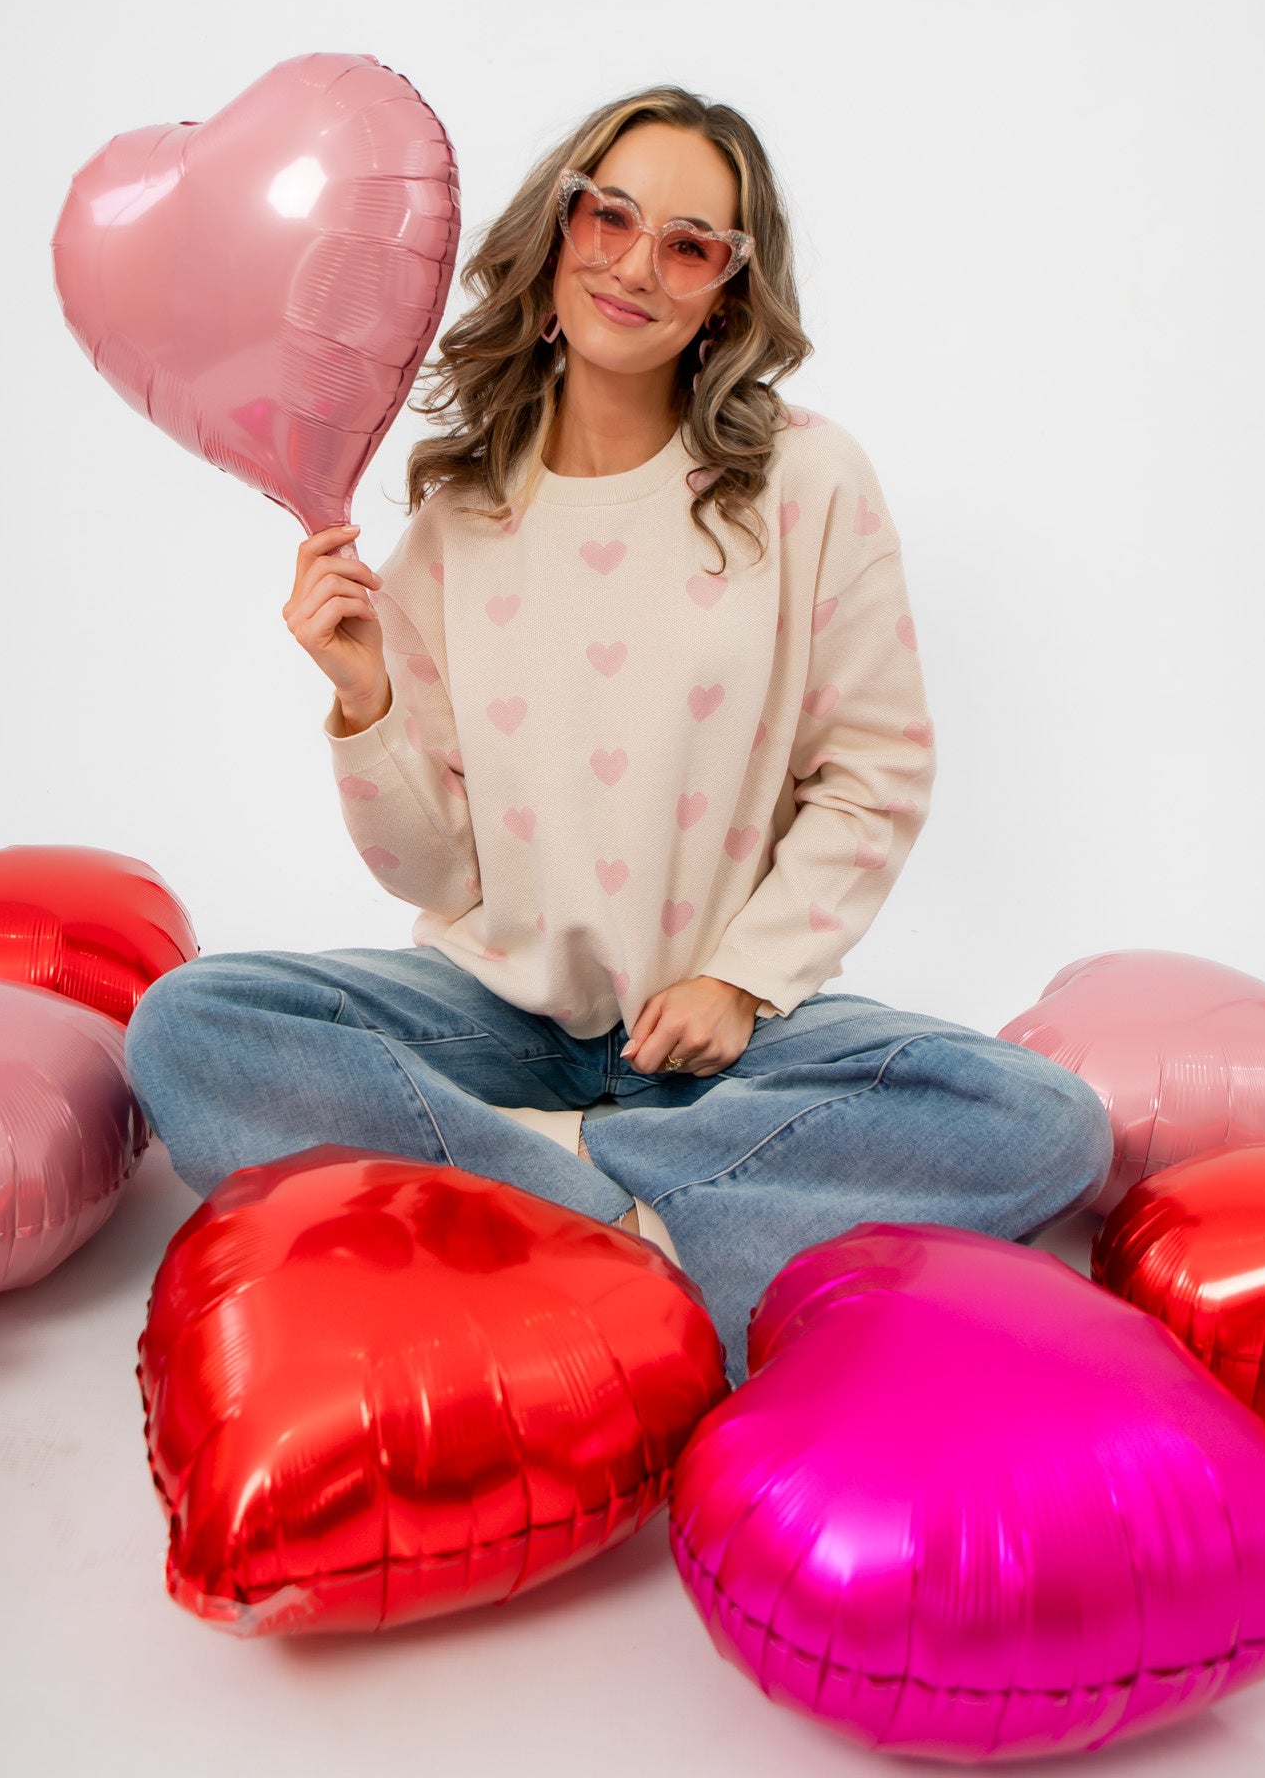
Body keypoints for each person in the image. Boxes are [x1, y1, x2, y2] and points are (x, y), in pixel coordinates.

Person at [123, 84, 1112, 1386]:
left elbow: (871, 772)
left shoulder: (806, 483)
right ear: (560, 231)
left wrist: (742, 978)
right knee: (191, 1025)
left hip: (727, 1033)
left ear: (728, 294)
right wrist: (361, 699)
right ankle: (632, 1226)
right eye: (612, 217)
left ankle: (538, 1212)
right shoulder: (457, 524)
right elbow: (434, 875)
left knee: (1038, 1120)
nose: (637, 265)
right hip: (500, 1016)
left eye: (690, 243)